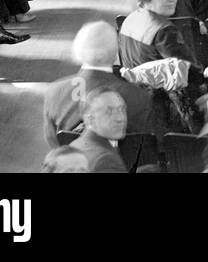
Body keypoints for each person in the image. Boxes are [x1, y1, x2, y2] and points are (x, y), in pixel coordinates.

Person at [42, 20, 157, 148]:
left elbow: (52, 140)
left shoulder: (54, 91)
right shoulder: (137, 96)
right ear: (115, 52)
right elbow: (145, 147)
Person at [68, 88, 128, 173]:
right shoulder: (106, 161)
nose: (120, 118)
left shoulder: (74, 146)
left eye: (122, 109)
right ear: (90, 119)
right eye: (109, 112)